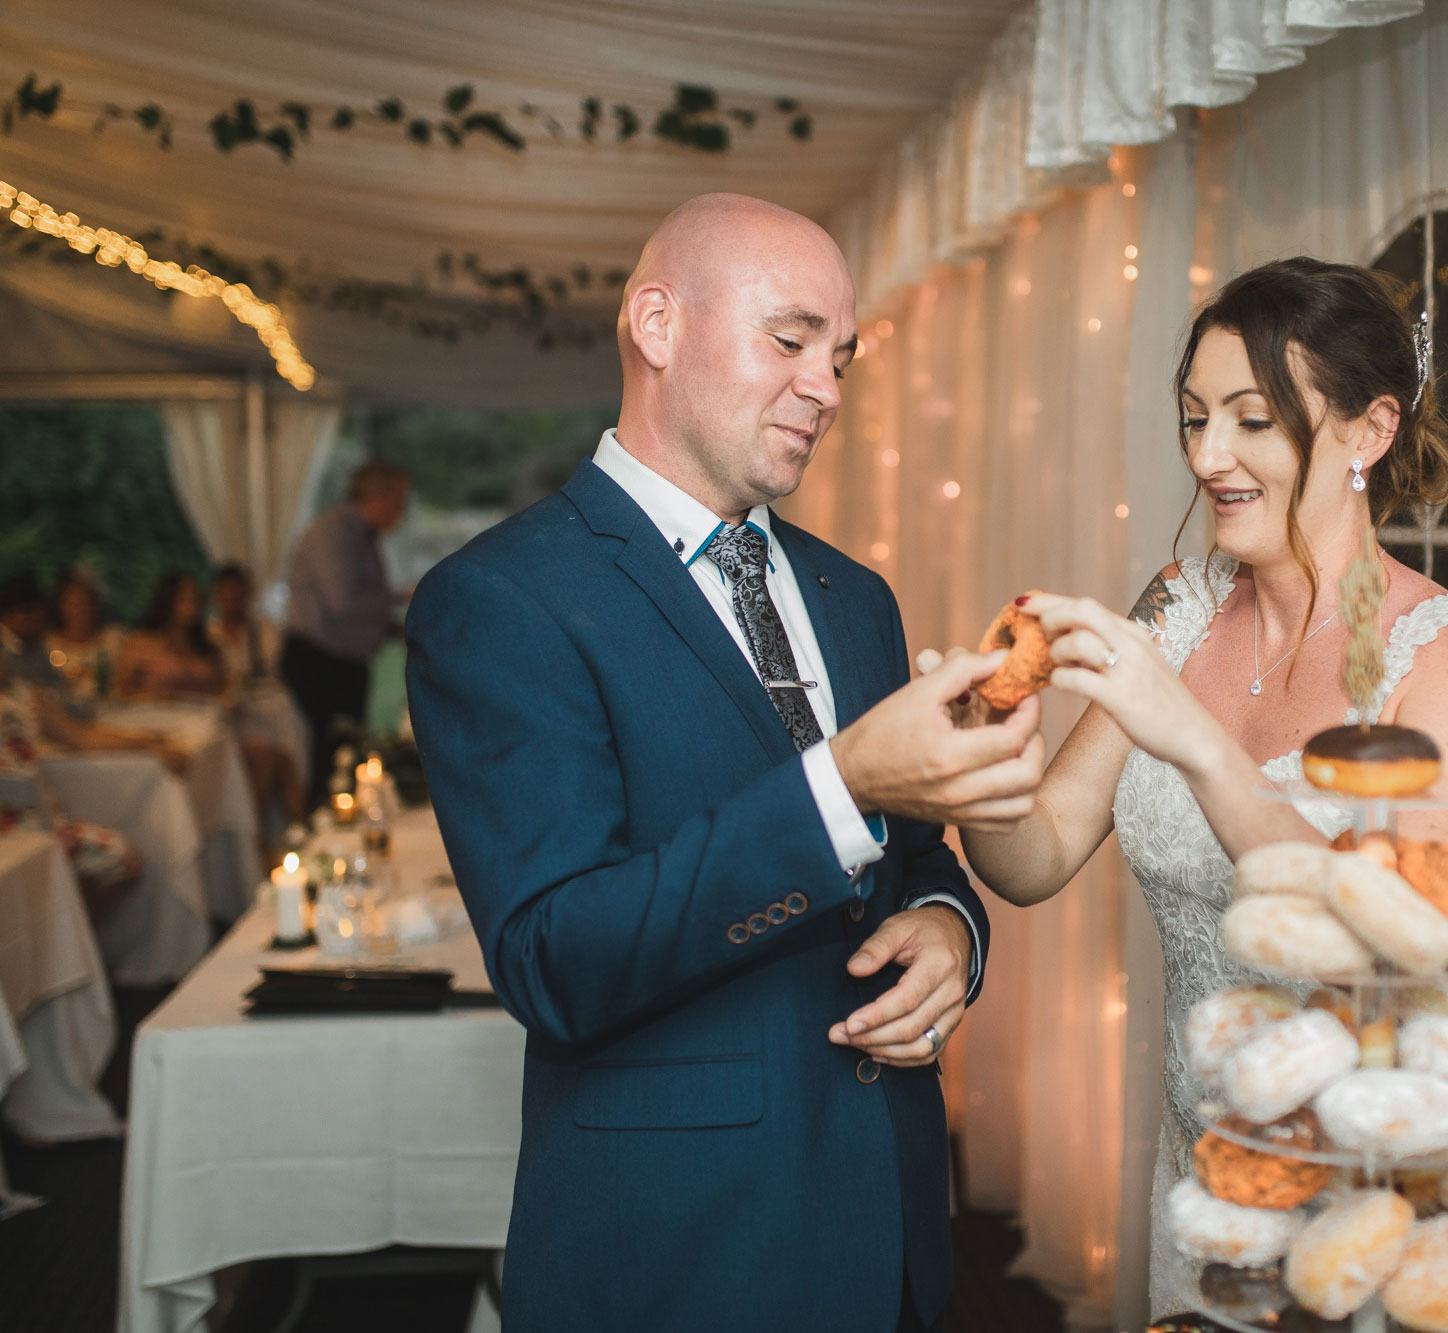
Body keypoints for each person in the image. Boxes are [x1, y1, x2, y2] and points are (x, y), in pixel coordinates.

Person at [404, 194, 1042, 1332]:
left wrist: (953, 930)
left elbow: (914, 853)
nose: (827, 388)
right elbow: (553, 961)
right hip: (676, 1249)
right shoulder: (500, 599)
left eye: (840, 358)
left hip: (889, 1228)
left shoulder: (858, 595)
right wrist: (841, 785)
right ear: (655, 325)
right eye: (788, 339)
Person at [953, 259, 1448, 1315]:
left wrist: (1192, 739)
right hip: (1199, 1175)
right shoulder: (1175, 608)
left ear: (1366, 431)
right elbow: (1030, 859)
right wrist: (975, 749)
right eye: (1192, 419)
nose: (1208, 457)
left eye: (1251, 421)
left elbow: (1394, 942)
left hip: (1368, 1194)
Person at [0, 646, 187, 920]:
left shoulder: (23, 695)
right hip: (12, 825)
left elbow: (82, 737)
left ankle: (70, 940)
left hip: (40, 817)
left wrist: (144, 744)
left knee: (121, 859)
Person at [281, 460, 408, 803]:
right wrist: (404, 596)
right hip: (320, 663)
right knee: (331, 758)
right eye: (399, 501)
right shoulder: (335, 532)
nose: (402, 511)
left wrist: (394, 629)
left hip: (340, 663)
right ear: (377, 497)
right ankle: (321, 839)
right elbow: (344, 603)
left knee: (343, 755)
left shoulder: (361, 536)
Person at [210, 563, 307, 828]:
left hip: (270, 707)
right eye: (225, 592)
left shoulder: (264, 630)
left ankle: (292, 826)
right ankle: (260, 836)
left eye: (237, 592)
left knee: (287, 759)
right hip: (235, 716)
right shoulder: (209, 636)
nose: (231, 599)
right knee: (262, 766)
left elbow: (271, 667)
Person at [113, 573, 224, 701]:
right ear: (167, 601)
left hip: (202, 717)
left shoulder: (206, 646)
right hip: (157, 716)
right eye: (183, 599)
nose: (191, 607)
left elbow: (222, 690)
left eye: (195, 599)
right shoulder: (141, 643)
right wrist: (151, 697)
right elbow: (121, 691)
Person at [45, 571, 122, 702]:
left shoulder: (114, 639)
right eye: (74, 605)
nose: (81, 611)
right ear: (59, 607)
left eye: (86, 604)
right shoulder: (46, 643)